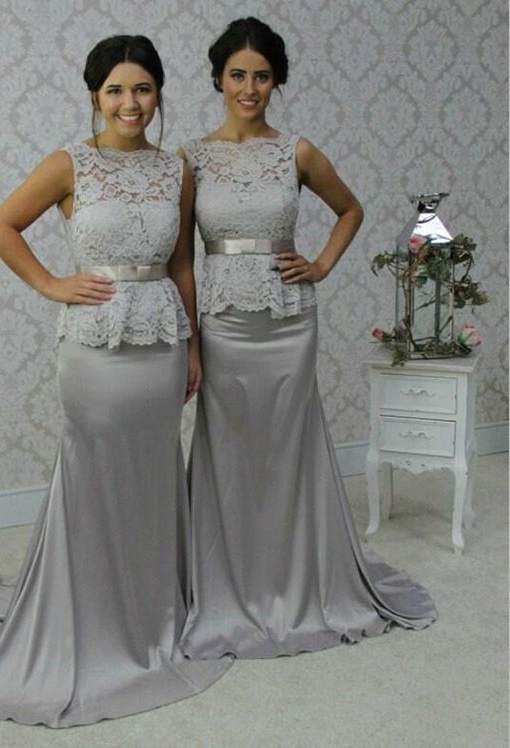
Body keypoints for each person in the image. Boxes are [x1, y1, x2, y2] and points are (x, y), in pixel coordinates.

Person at [0, 35, 230, 727]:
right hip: (94, 350)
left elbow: (183, 263)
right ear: (95, 95)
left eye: (142, 88)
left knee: (153, 476)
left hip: (160, 342)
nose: (130, 103)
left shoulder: (175, 170)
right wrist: (51, 283)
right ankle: (87, 616)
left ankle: (151, 611)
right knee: (93, 476)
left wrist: (192, 345)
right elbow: (2, 226)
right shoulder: (70, 162)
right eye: (116, 90)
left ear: (159, 93)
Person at [179, 17, 437, 660]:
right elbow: (183, 259)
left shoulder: (296, 150)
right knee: (228, 452)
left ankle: (298, 580)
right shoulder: (192, 158)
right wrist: (190, 341)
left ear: (277, 82)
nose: (250, 88)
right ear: (218, 79)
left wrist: (319, 264)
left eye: (262, 76)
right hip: (224, 323)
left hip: (289, 320)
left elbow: (351, 209)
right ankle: (229, 582)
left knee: (289, 448)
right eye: (238, 75)